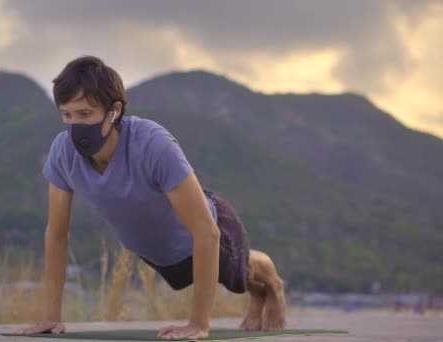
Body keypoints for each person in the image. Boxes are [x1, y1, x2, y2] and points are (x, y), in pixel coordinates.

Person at [14, 56, 286, 339]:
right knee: (232, 278)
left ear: (114, 111)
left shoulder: (152, 143)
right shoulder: (62, 153)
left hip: (211, 230)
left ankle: (274, 287)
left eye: (85, 114)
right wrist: (51, 317)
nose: (75, 126)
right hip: (162, 255)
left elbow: (206, 231)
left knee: (240, 270)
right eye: (67, 115)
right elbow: (57, 234)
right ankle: (257, 296)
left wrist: (198, 324)